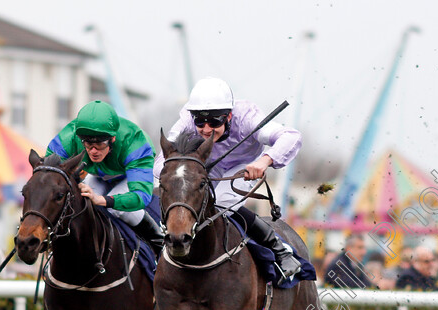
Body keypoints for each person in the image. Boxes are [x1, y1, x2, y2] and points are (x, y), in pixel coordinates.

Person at [153, 77, 303, 280]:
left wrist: (265, 161)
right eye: (200, 121)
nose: (206, 128)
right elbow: (162, 159)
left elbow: (291, 136)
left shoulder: (248, 118)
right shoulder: (187, 121)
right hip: (205, 168)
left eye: (214, 121)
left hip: (243, 166)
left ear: (229, 116)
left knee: (223, 203)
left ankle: (279, 249)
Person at [46, 100, 163, 255]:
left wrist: (103, 200)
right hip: (97, 175)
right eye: (88, 143)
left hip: (129, 176)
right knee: (83, 204)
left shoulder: (136, 144)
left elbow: (141, 197)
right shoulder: (68, 138)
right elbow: (47, 174)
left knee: (118, 211)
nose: (93, 150)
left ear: (112, 138)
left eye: (100, 143)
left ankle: (159, 246)